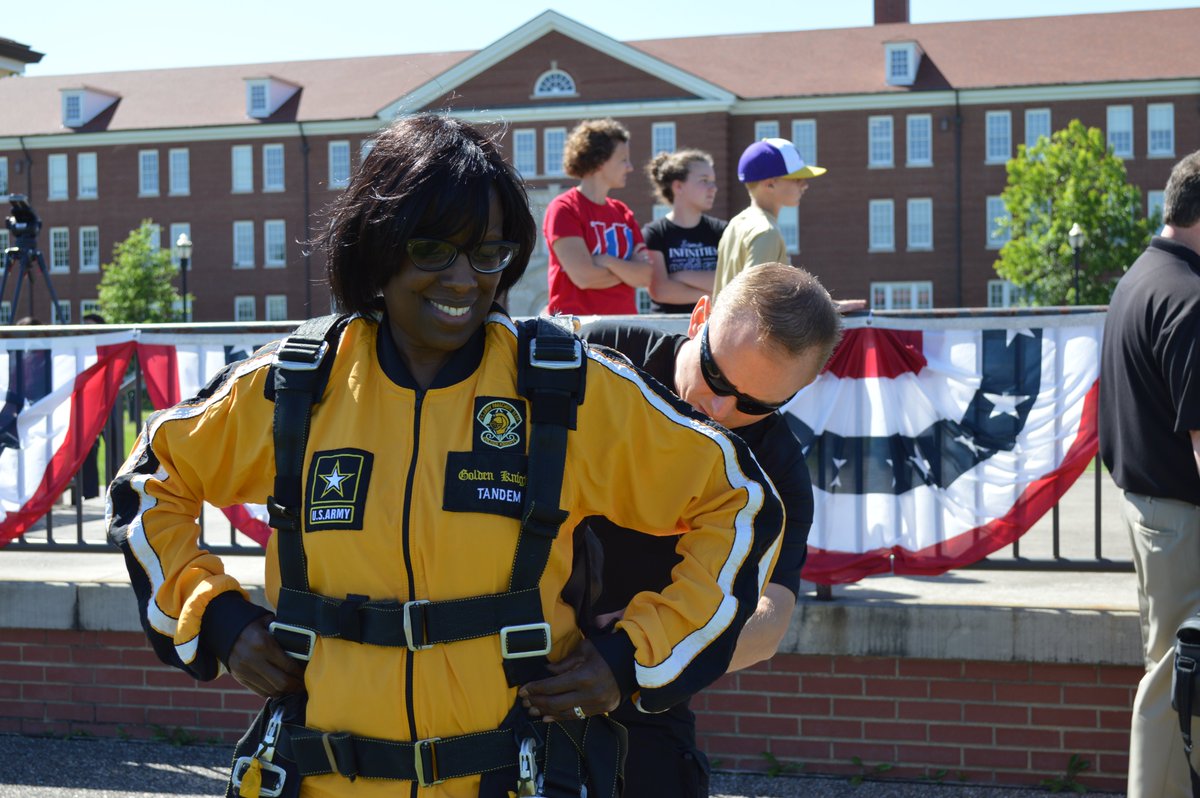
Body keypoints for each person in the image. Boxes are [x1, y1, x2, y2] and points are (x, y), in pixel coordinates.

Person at [106, 114, 783, 798]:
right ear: (379, 246)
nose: (464, 280)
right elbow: (150, 481)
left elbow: (738, 502)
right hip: (316, 778)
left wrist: (633, 656)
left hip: (509, 777)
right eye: (434, 250)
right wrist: (218, 617)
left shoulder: (565, 390)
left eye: (487, 253)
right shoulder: (295, 387)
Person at [577, 263, 842, 798]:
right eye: (716, 376)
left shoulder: (776, 469)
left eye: (756, 405)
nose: (720, 409)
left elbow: (771, 620)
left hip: (638, 683)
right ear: (698, 317)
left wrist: (650, 646)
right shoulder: (599, 354)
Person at [1099, 150, 1200, 798]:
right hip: (1182, 519)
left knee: (1176, 672)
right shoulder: (1191, 295)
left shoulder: (1140, 276)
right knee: (1178, 680)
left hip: (1149, 511)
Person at [544, 118, 653, 315]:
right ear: (600, 161)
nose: (630, 167)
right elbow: (584, 277)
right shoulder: (564, 208)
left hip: (626, 327)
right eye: (623, 160)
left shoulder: (623, 212)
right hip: (579, 331)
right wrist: (628, 273)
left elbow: (645, 276)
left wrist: (607, 261)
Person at [712, 138, 825, 304]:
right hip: (750, 330)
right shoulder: (766, 231)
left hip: (724, 327)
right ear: (770, 184)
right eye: (797, 179)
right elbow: (755, 304)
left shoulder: (736, 224)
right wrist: (823, 308)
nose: (805, 185)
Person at [641, 149, 726, 314]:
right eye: (704, 180)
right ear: (678, 186)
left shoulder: (722, 231)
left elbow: (729, 281)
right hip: (668, 330)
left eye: (713, 181)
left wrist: (680, 276)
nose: (713, 188)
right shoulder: (654, 233)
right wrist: (713, 294)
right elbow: (660, 291)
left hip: (711, 327)